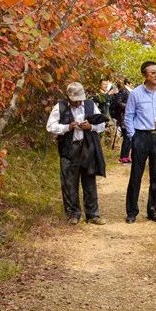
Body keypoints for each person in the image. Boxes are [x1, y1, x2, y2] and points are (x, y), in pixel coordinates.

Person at [46, 82, 108, 225]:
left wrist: (90, 126)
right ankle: (73, 214)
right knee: (69, 182)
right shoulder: (60, 107)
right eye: (75, 100)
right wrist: (67, 127)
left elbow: (102, 124)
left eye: (80, 99)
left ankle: (93, 215)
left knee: (89, 180)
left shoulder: (90, 105)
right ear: (69, 97)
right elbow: (50, 126)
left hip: (87, 147)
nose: (78, 102)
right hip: (69, 148)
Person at [123, 61, 156, 223]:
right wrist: (133, 136)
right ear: (144, 75)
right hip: (141, 137)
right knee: (136, 175)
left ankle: (153, 210)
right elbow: (129, 116)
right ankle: (132, 212)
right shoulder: (135, 94)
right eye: (153, 73)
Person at [110, 78, 132, 163]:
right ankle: (123, 157)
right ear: (128, 83)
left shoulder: (130, 91)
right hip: (124, 117)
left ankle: (126, 156)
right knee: (127, 137)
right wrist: (129, 106)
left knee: (129, 137)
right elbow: (118, 102)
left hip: (129, 117)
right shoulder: (123, 91)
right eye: (131, 82)